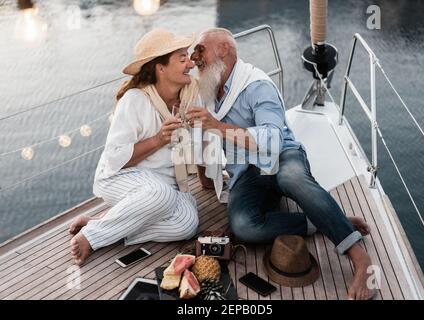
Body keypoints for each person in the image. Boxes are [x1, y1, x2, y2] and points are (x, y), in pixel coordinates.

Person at [186, 28, 375, 300]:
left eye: (201, 48)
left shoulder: (256, 85)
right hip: (248, 173)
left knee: (292, 179)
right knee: (243, 226)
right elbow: (205, 137)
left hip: (282, 155)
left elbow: (273, 139)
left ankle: (359, 258)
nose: (194, 57)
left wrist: (217, 126)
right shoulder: (208, 92)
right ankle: (327, 220)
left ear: (223, 50)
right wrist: (205, 175)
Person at [69, 28, 201, 266]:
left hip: (165, 184)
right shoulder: (135, 100)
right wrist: (159, 139)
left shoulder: (191, 98)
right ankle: (92, 236)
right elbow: (115, 159)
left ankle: (105, 222)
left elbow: (198, 149)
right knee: (160, 194)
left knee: (186, 224)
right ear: (160, 68)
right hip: (119, 175)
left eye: (188, 57)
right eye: (182, 59)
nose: (191, 63)